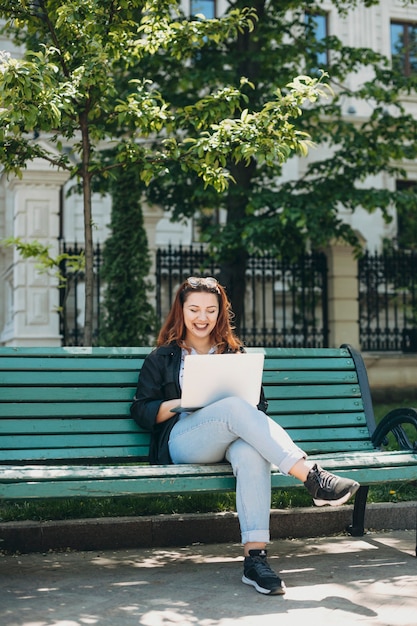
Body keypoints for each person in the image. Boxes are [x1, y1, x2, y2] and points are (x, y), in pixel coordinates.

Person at [131, 276, 360, 596]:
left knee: (252, 452)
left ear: (220, 313)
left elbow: (258, 406)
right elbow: (142, 411)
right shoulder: (163, 357)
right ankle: (312, 476)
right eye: (194, 309)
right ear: (180, 311)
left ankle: (256, 559)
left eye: (210, 310)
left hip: (229, 435)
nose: (202, 317)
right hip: (184, 440)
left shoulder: (234, 354)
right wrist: (188, 401)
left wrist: (231, 405)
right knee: (234, 408)